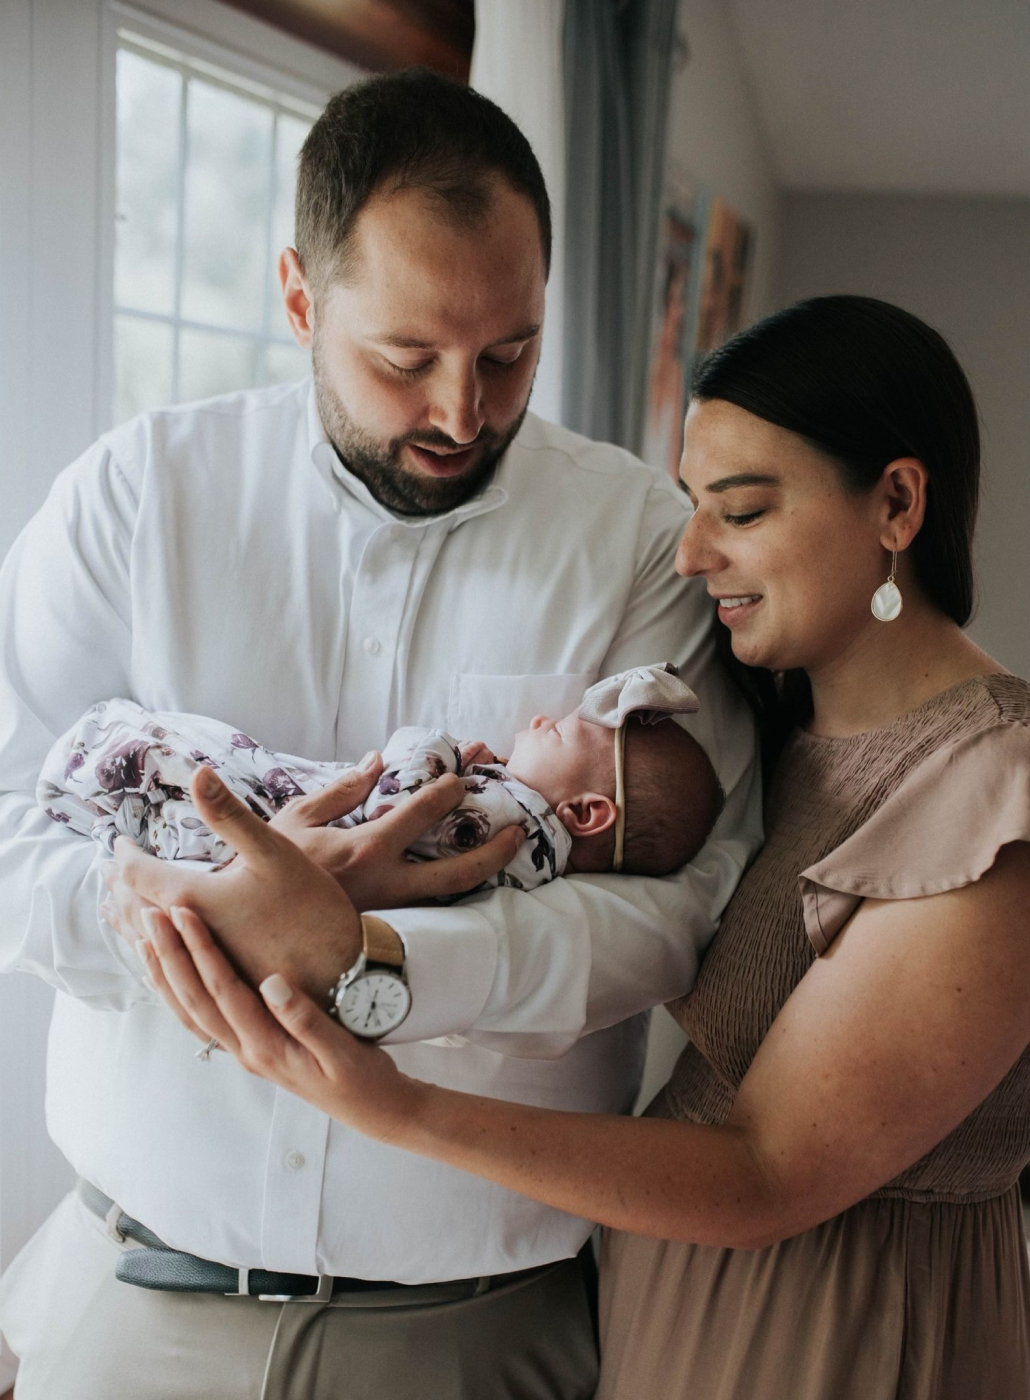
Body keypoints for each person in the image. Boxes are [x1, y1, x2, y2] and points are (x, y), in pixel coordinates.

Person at [0, 69, 759, 1400]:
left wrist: (372, 957)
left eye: (507, 353)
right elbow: (9, 835)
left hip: (480, 1333)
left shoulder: (639, 542)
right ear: (299, 298)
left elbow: (674, 919)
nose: (462, 411)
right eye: (404, 360)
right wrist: (214, 921)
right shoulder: (135, 501)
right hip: (132, 1307)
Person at [127, 296, 1030, 1400]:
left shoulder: (992, 796)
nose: (692, 552)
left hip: (837, 1343)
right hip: (672, 1335)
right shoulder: (784, 744)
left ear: (895, 501)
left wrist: (391, 1100)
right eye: (692, 505)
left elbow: (765, 1170)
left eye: (739, 511)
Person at [38, 664, 721, 889]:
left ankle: (94, 764)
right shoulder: (520, 835)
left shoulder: (514, 826)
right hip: (304, 834)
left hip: (291, 833)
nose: (542, 720)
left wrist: (437, 750)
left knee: (192, 762)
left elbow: (395, 804)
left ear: (586, 813)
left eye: (564, 731)